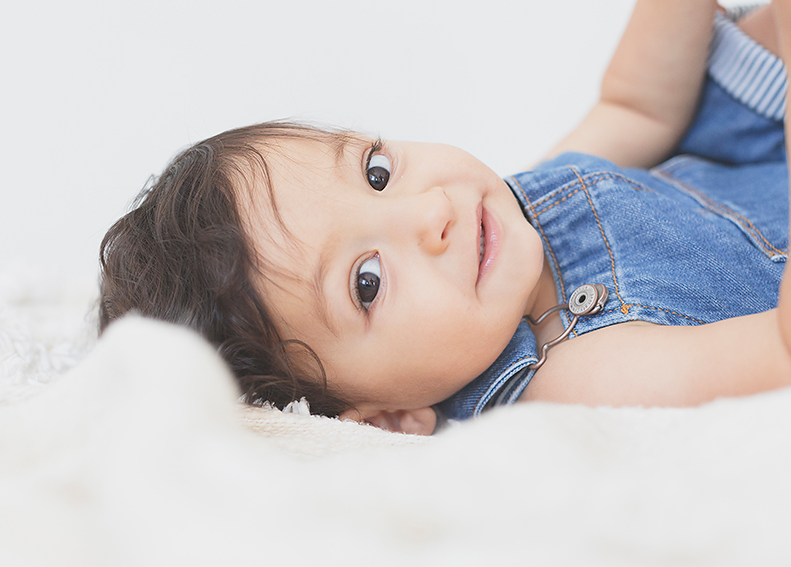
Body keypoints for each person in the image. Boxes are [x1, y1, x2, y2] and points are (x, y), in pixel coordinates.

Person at [98, 1, 791, 436]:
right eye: (367, 282)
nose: (430, 212)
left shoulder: (514, 218)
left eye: (377, 173)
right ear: (389, 420)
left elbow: (639, 107)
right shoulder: (572, 380)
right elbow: (778, 352)